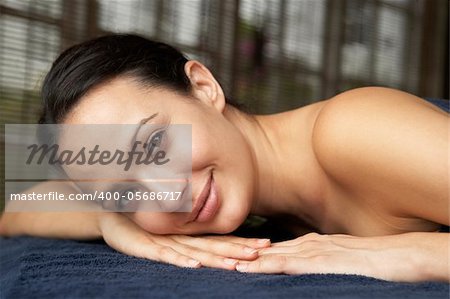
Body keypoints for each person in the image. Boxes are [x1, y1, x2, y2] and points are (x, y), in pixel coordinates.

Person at [0, 34, 448, 283]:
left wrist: (409, 255)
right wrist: (111, 222)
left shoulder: (352, 131)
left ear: (203, 86)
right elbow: (16, 211)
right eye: (126, 192)